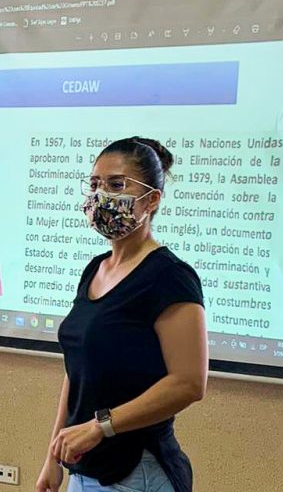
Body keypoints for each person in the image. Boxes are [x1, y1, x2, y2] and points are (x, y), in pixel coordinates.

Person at [35, 137, 208, 492]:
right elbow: (78, 372)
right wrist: (53, 459)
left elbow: (189, 383)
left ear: (152, 200)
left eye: (116, 185)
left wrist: (101, 426)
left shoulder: (169, 276)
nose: (101, 196)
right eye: (95, 184)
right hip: (86, 468)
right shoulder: (96, 269)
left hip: (136, 471)